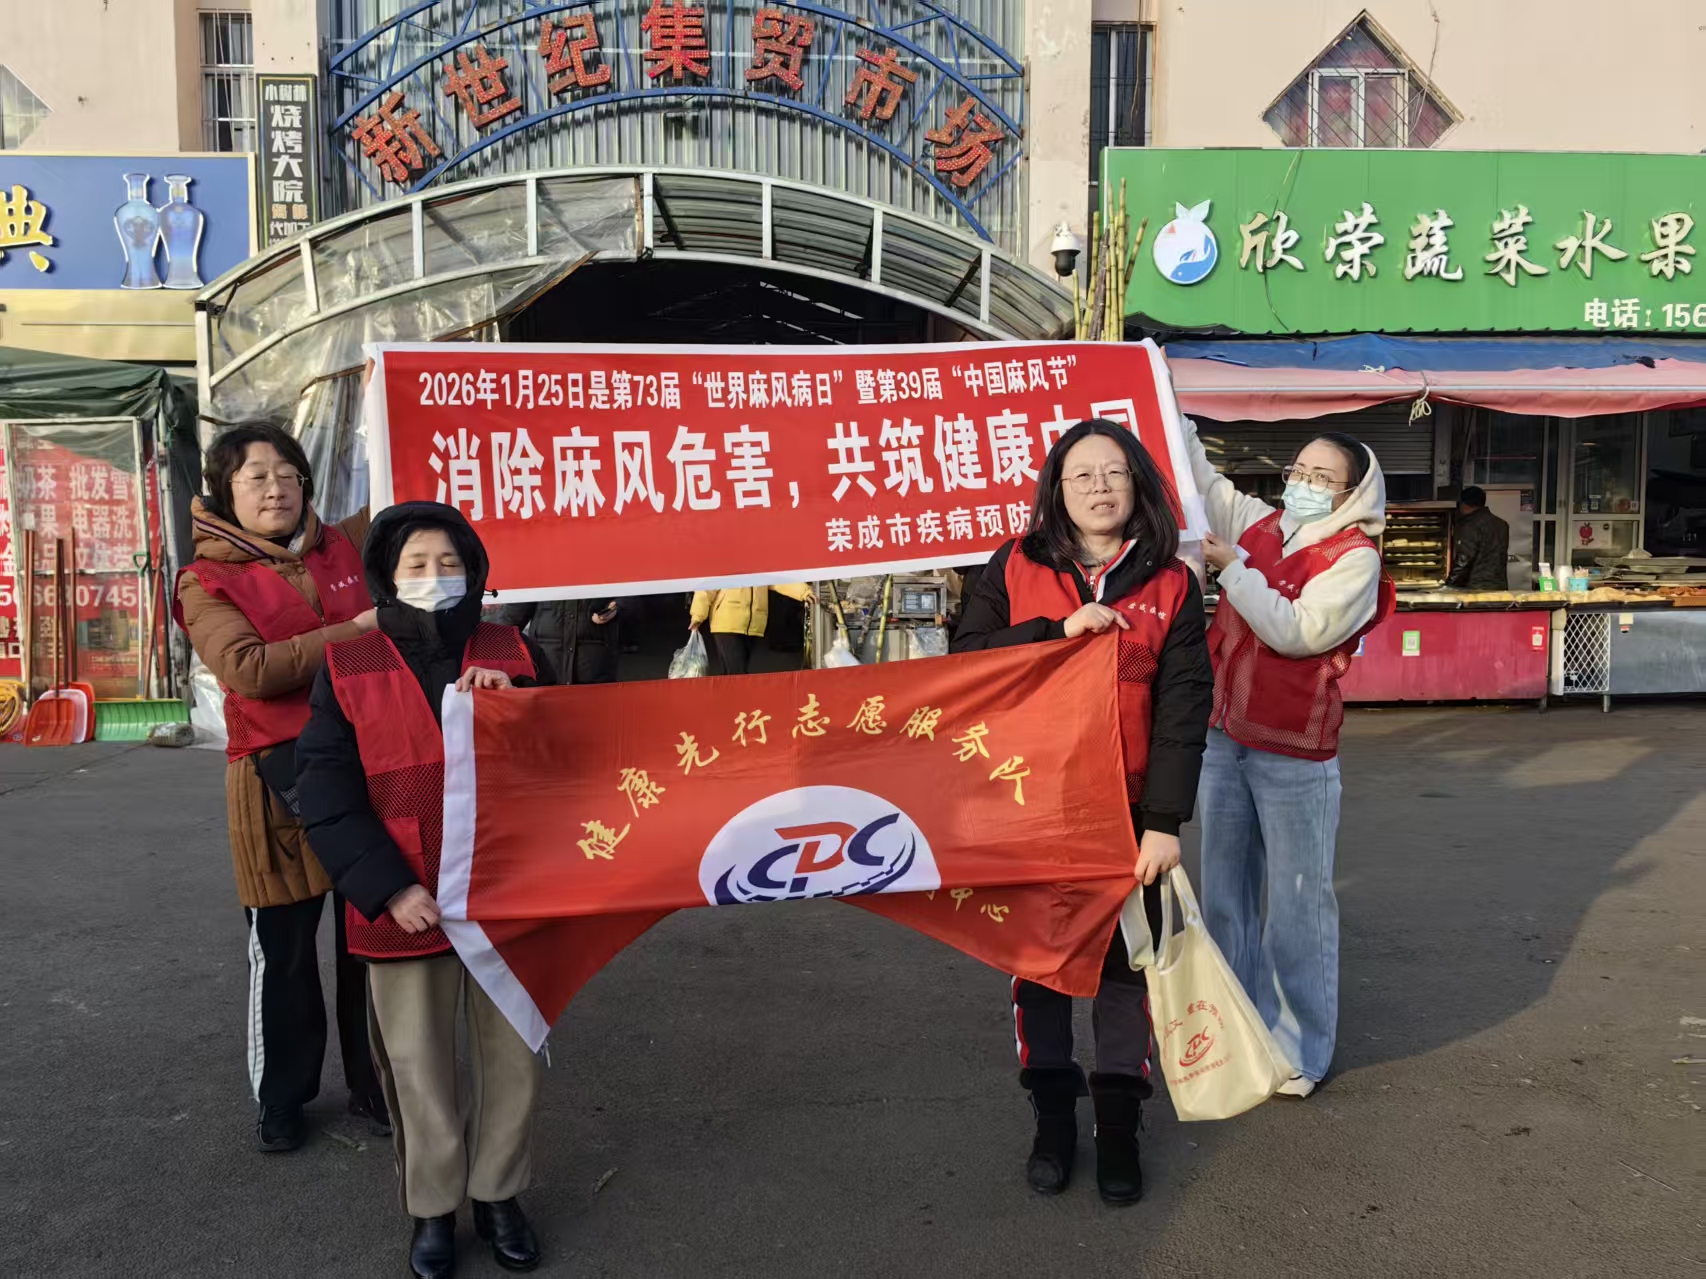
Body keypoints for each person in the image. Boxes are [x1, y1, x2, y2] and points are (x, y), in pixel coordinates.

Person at [952, 419, 1214, 1205]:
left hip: (1128, 816)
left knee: (1124, 970)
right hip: (1028, 806)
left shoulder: (1173, 583)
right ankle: (1053, 1121)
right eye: (1082, 475)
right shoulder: (1015, 564)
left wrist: (1164, 821)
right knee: (1040, 965)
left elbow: (1183, 707)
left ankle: (1119, 1127)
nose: (1100, 487)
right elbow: (965, 663)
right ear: (1057, 490)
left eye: (1115, 472)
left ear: (1139, 484)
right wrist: (1055, 633)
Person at [297, 501, 557, 1279]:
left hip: (509, 897)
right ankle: (433, 1208)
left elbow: (567, 764)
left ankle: (500, 1194)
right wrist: (387, 888)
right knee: (416, 1064)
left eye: (449, 563)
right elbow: (325, 791)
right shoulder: (347, 665)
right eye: (416, 564)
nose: (434, 576)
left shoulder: (516, 652)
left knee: (512, 1056)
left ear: (474, 572)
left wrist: (517, 706)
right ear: (387, 575)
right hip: (405, 904)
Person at [174, 421, 387, 1153]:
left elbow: (415, 487)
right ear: (224, 493)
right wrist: (359, 630)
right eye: (256, 476)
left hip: (369, 766)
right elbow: (250, 670)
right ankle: (283, 1096)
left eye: (287, 473)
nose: (276, 488)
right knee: (284, 949)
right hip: (277, 783)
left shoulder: (349, 544)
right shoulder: (205, 580)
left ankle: (378, 1083)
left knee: (374, 937)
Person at [1184, 422, 1395, 1098]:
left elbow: (1297, 632)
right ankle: (1237, 1027)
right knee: (1225, 897)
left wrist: (1233, 570)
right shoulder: (1263, 526)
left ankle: (1300, 1049)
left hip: (1295, 753)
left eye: (1321, 477)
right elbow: (1206, 482)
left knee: (1298, 905)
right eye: (1298, 471)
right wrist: (1166, 397)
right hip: (1225, 739)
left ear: (1352, 491)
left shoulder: (1355, 558)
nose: (1303, 483)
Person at [490, 596, 626, 684]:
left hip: (595, 675)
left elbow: (633, 592)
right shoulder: (540, 568)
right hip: (545, 675)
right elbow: (509, 620)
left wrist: (620, 606)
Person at [688, 583, 814, 674]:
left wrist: (804, 592)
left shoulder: (761, 561)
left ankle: (725, 701)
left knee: (732, 673)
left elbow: (778, 579)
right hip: (727, 624)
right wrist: (698, 615)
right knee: (737, 673)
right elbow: (707, 587)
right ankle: (738, 701)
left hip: (753, 626)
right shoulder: (725, 559)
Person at [1446, 485, 1511, 591]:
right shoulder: (1501, 524)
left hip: (1476, 587)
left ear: (1464, 504)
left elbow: (1464, 559)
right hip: (1499, 585)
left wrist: (1450, 585)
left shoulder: (1470, 525)